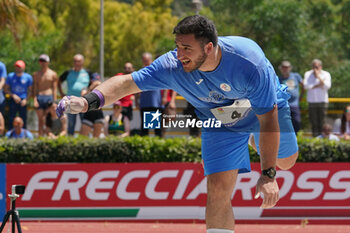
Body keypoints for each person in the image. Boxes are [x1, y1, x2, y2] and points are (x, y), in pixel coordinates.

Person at [57, 15, 298, 233]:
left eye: (186, 48)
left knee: (286, 161)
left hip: (262, 109)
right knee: (217, 188)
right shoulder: (172, 65)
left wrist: (267, 175)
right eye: (177, 46)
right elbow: (127, 83)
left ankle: (255, 139)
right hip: (219, 119)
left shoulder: (248, 61)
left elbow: (267, 118)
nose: (179, 54)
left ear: (209, 47)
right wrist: (87, 101)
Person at [58, 54, 95, 135]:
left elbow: (95, 83)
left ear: (82, 62)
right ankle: (71, 143)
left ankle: (84, 143)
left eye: (78, 61)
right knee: (71, 125)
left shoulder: (88, 73)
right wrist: (61, 93)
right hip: (70, 102)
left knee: (85, 123)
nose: (76, 63)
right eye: (75, 61)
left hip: (84, 101)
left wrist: (89, 92)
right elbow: (58, 81)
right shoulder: (68, 72)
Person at [136, 52, 163, 137]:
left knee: (157, 127)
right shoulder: (140, 72)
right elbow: (135, 87)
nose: (146, 62)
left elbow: (166, 85)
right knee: (144, 128)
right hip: (144, 103)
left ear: (151, 60)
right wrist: (137, 100)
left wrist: (164, 97)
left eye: (147, 60)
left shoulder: (157, 70)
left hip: (155, 103)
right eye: (144, 60)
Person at [303, 59, 331, 137]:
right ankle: (316, 140)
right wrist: (318, 85)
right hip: (312, 102)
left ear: (321, 66)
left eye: (317, 66)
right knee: (313, 122)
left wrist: (318, 77)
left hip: (322, 101)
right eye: (314, 66)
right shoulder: (307, 74)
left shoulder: (326, 74)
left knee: (322, 122)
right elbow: (306, 86)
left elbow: (327, 86)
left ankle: (323, 139)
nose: (315, 68)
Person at [33, 54, 58, 137]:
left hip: (49, 97)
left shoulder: (53, 74)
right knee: (40, 120)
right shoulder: (36, 74)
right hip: (40, 97)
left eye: (44, 61)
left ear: (48, 62)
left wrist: (54, 101)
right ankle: (40, 137)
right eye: (41, 61)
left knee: (47, 119)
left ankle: (48, 138)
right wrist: (35, 99)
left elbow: (54, 88)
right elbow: (35, 88)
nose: (42, 63)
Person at [5, 60, 33, 129]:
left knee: (23, 118)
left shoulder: (28, 77)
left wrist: (26, 100)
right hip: (13, 99)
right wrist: (13, 95)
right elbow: (6, 89)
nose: (17, 69)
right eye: (16, 67)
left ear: (23, 68)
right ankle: (10, 134)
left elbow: (30, 90)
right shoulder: (10, 76)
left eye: (19, 67)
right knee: (11, 117)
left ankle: (24, 134)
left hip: (23, 100)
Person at [278, 60, 304, 134]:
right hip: (284, 105)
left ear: (290, 68)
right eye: (284, 67)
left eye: (287, 67)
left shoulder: (296, 76)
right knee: (285, 123)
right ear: (281, 68)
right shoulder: (279, 79)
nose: (285, 69)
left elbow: (303, 86)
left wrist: (301, 96)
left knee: (297, 121)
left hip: (295, 104)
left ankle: (297, 138)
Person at [79, 73, 104, 138]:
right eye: (94, 80)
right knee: (82, 137)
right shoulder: (86, 88)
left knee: (96, 138)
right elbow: (83, 96)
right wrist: (91, 88)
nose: (95, 82)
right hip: (88, 114)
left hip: (98, 114)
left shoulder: (101, 89)